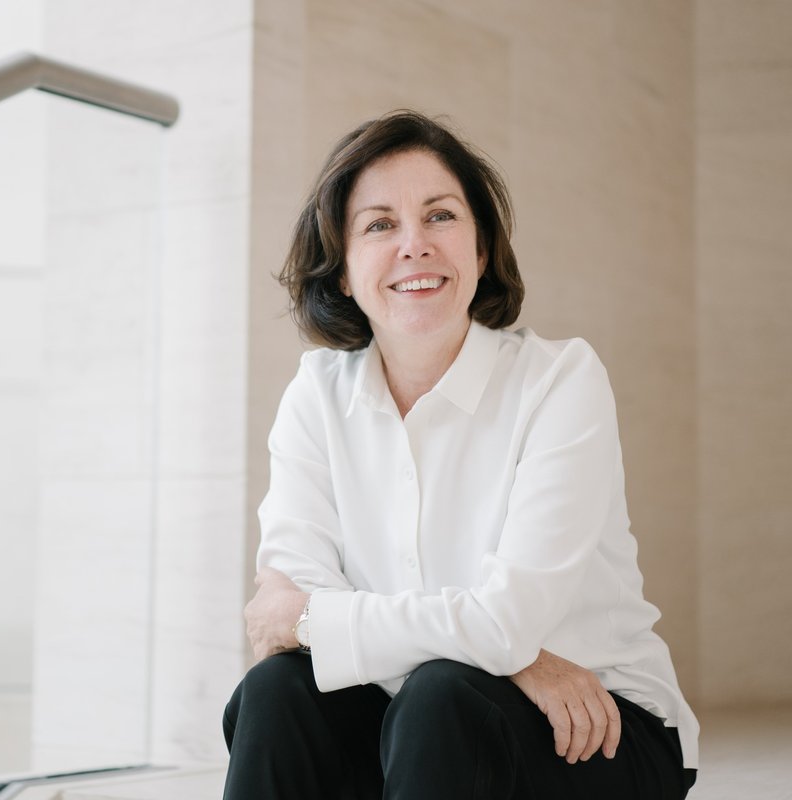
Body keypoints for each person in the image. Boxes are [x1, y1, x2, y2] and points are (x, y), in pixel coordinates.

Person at [222, 110, 699, 799]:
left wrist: (321, 621)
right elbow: (291, 614)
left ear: (480, 251)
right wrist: (513, 656)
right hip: (420, 716)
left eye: (440, 216)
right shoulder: (316, 394)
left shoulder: (561, 380)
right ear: (344, 271)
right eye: (379, 225)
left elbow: (307, 618)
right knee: (277, 691)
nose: (414, 245)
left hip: (594, 720)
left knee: (444, 696)